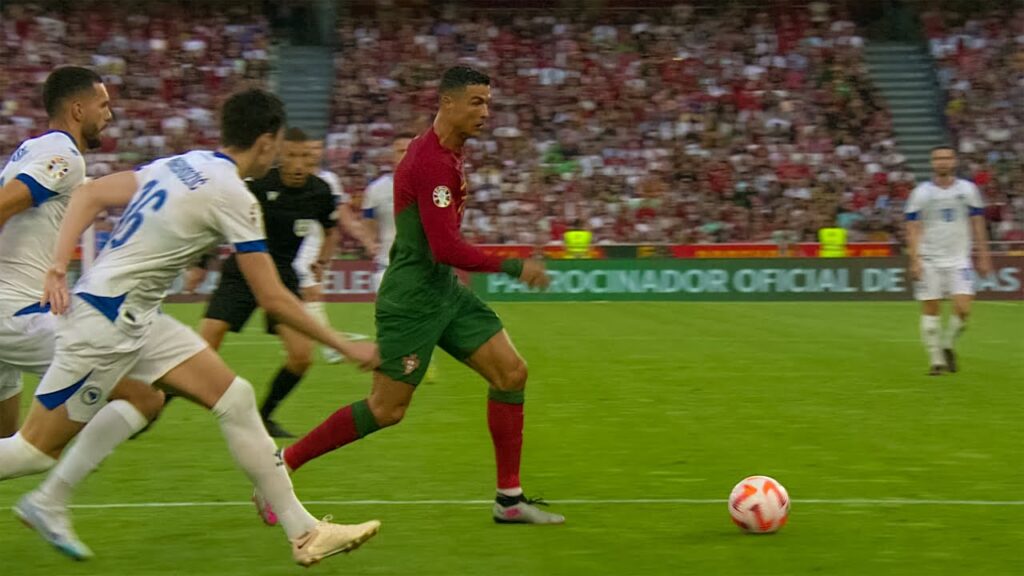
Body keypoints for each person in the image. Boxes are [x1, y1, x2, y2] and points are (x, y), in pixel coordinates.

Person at [0, 89, 381, 566]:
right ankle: (47, 500)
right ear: (266, 142)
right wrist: (346, 346)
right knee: (33, 451)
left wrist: (59, 266)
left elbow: (91, 193)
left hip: (134, 318)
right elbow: (273, 298)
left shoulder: (183, 163)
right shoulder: (234, 195)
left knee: (232, 397)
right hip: (105, 325)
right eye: (279, 144)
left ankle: (305, 533)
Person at [262, 66, 562, 525]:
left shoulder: (448, 153)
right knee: (386, 410)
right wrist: (514, 266)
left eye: (488, 102)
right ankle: (282, 466)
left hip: (443, 290)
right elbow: (446, 248)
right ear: (448, 103)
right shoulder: (432, 162)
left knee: (511, 374)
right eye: (477, 102)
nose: (486, 112)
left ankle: (509, 499)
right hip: (413, 300)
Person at [0, 66, 164, 440]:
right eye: (103, 105)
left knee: (5, 447)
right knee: (145, 396)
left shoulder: (31, 149)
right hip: (14, 316)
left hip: (13, 311)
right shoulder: (64, 156)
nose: (110, 115)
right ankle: (65, 475)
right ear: (77, 109)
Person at [200, 127, 340, 438]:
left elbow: (331, 229)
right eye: (291, 156)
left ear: (313, 158)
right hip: (243, 269)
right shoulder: (258, 184)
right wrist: (202, 260)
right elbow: (217, 218)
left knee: (302, 356)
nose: (298, 164)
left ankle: (264, 417)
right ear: (280, 156)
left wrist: (322, 260)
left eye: (305, 157)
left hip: (281, 276)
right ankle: (151, 407)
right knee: (204, 346)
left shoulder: (320, 192)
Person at [905, 145, 993, 375]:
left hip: (959, 259)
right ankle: (936, 362)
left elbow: (978, 223)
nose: (942, 162)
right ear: (932, 163)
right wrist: (915, 259)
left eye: (946, 158)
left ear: (954, 162)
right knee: (931, 308)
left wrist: (984, 255)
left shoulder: (968, 190)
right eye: (938, 158)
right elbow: (912, 227)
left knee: (963, 309)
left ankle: (947, 344)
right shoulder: (921, 193)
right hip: (930, 258)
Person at [291, 136, 374, 364]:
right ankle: (330, 347)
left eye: (318, 147)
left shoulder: (329, 180)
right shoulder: (288, 178)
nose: (314, 152)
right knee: (311, 294)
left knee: (311, 295)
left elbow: (341, 215)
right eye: (310, 148)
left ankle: (314, 343)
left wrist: (363, 237)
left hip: (319, 244)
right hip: (296, 245)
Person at [361, 133, 413, 291]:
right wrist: (370, 243)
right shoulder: (376, 189)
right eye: (400, 151)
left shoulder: (433, 188)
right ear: (392, 155)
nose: (405, 155)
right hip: (387, 264)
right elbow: (368, 222)